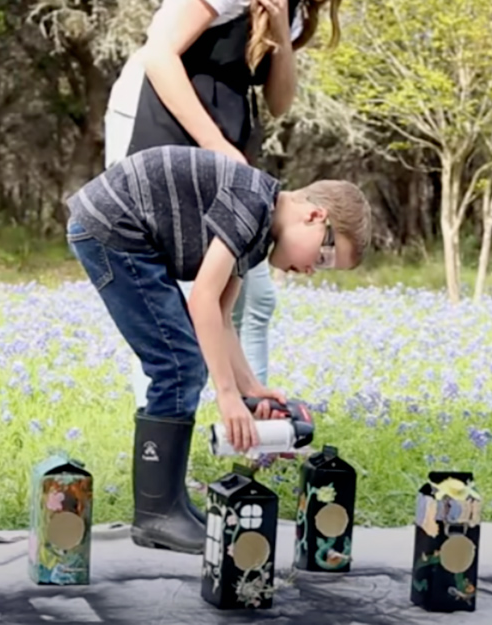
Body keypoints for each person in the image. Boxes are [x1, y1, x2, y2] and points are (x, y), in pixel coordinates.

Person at [65, 145, 371, 554]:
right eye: (324, 255)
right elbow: (202, 300)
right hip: (113, 226)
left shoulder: (257, 234)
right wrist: (226, 396)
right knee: (177, 364)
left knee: (181, 361)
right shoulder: (251, 202)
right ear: (315, 216)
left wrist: (249, 387)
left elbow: (222, 318)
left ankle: (168, 507)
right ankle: (156, 514)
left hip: (124, 231)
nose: (314, 268)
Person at [104, 0, 343, 424]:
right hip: (160, 115)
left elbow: (279, 101)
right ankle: (165, 437)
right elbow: (159, 54)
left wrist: (282, 36)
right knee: (164, 303)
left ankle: (251, 423)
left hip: (225, 134)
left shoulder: (298, 9)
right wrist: (215, 146)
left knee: (251, 296)